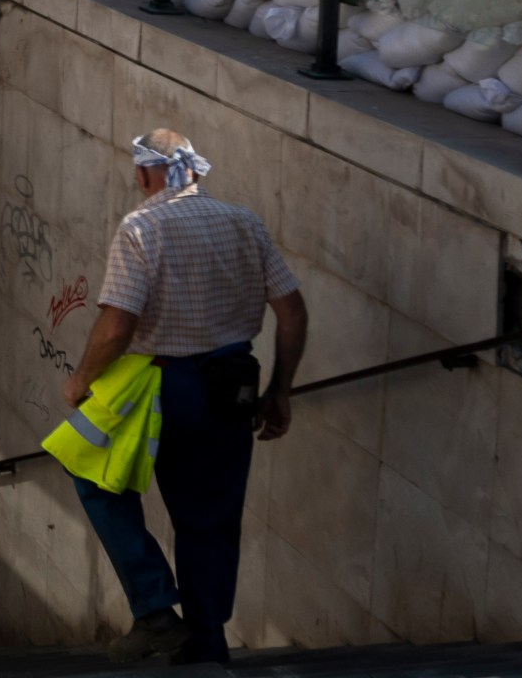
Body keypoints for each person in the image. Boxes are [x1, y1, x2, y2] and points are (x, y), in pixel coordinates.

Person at [61, 129, 308, 665]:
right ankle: (207, 644)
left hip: (163, 386)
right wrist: (279, 391)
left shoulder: (141, 226)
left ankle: (153, 609)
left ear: (146, 174)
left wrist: (82, 379)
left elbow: (118, 321)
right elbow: (292, 311)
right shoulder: (245, 221)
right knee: (211, 518)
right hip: (234, 387)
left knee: (92, 472)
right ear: (193, 171)